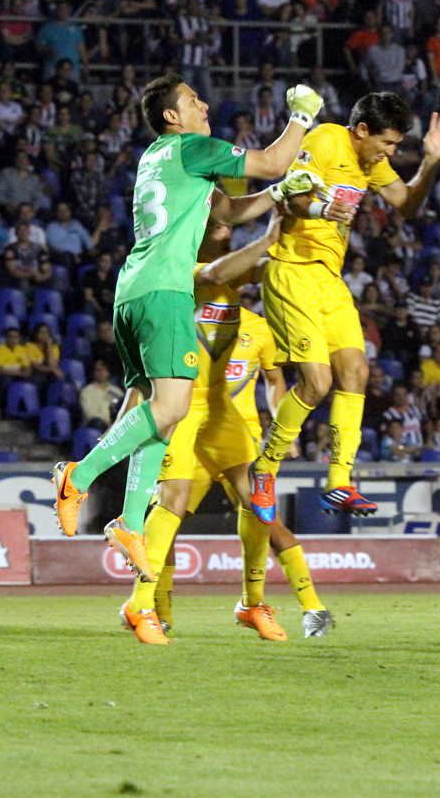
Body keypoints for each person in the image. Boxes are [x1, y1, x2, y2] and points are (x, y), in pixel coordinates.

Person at [52, 74, 327, 581]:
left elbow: (228, 210)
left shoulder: (159, 157)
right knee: (173, 406)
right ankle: (79, 475)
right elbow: (272, 158)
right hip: (167, 293)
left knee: (162, 414)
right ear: (172, 117)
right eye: (193, 100)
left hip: (133, 291)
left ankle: (132, 521)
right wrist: (303, 117)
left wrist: (278, 194)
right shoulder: (192, 147)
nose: (204, 105)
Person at [121, 219, 333, 644]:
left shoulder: (251, 313)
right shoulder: (176, 266)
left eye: (225, 224)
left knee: (258, 504)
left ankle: (255, 603)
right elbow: (216, 272)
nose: (223, 226)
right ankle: (146, 607)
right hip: (181, 404)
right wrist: (271, 234)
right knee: (172, 505)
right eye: (214, 223)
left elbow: (272, 271)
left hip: (222, 413)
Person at [248, 93, 440, 524]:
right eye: (387, 143)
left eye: (397, 146)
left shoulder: (370, 162)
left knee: (357, 372)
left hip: (330, 278)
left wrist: (431, 163)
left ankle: (338, 480)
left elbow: (407, 205)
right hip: (292, 269)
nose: (391, 153)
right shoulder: (325, 140)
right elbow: (293, 195)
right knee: (317, 382)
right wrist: (326, 207)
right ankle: (265, 470)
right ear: (361, 131)